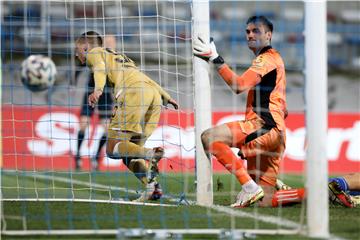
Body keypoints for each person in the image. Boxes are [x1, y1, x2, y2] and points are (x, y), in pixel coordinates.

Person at [193, 16, 298, 208]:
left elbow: (239, 85)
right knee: (264, 202)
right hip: (277, 136)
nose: (250, 35)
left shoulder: (266, 59)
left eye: (256, 31)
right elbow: (284, 110)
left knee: (208, 137)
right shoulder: (276, 61)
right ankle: (323, 191)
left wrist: (216, 59)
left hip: (263, 127)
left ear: (269, 35)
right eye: (247, 31)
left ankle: (249, 187)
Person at [75, 31, 178, 201]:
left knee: (111, 149)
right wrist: (166, 96)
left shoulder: (94, 53)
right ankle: (152, 187)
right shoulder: (121, 57)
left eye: (77, 50)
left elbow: (99, 70)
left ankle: (150, 154)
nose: (76, 55)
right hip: (152, 96)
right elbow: (143, 76)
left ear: (85, 47)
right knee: (128, 154)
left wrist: (98, 89)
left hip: (133, 93)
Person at [74, 33, 115, 171]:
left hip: (106, 96)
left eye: (112, 42)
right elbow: (80, 64)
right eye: (107, 41)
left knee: (108, 129)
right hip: (91, 92)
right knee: (83, 124)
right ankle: (78, 156)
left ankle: (96, 157)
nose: (110, 44)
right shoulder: (96, 55)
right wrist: (73, 81)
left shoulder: (116, 59)